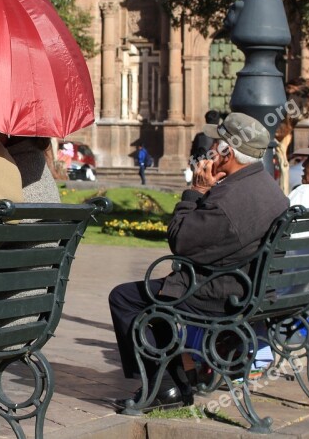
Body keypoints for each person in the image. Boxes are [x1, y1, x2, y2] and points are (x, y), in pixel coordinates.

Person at [109, 112, 289, 412]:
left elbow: (181, 242)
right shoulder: (267, 187)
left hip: (224, 296)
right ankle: (179, 378)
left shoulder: (230, 198)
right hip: (252, 290)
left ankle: (164, 386)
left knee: (126, 298)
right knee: (159, 295)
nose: (211, 150)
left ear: (228, 152)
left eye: (217, 144)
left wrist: (196, 191)